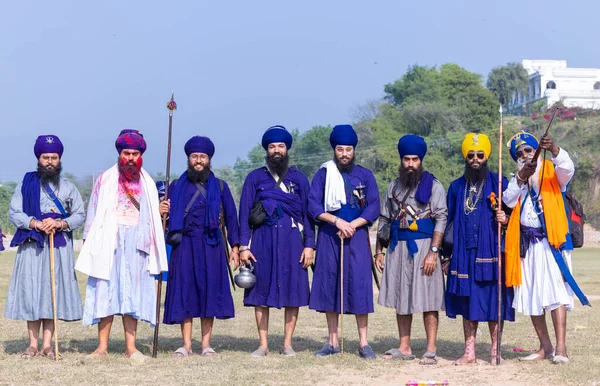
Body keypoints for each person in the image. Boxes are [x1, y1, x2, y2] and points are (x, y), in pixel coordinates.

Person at [76, 129, 168, 364]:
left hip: (138, 243)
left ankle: (131, 347)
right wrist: (88, 240)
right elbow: (93, 210)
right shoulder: (105, 179)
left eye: (134, 153)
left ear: (141, 156)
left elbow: (151, 217)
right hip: (110, 240)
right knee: (106, 291)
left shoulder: (147, 182)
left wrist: (159, 213)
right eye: (126, 153)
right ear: (119, 153)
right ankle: (102, 347)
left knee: (133, 294)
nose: (130, 158)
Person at [503, 130, 588, 364]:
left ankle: (561, 348)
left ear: (536, 152)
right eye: (519, 153)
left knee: (556, 295)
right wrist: (521, 177)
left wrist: (555, 150)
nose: (525, 155)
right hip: (527, 247)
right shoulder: (518, 178)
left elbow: (568, 168)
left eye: (528, 150)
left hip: (552, 244)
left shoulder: (553, 172)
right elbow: (508, 200)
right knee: (532, 295)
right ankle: (545, 347)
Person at [5, 135, 85, 360]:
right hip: (32, 245)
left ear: (59, 160)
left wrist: (60, 223)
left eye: (54, 157)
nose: (50, 161)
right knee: (32, 291)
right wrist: (35, 222)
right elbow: (14, 212)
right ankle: (32, 344)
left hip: (57, 246)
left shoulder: (69, 187)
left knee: (52, 292)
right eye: (45, 157)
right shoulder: (26, 184)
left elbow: (79, 214)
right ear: (38, 159)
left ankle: (48, 345)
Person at [159, 136, 240, 357]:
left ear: (209, 159)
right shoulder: (175, 186)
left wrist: (235, 247)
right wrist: (161, 211)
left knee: (209, 293)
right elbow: (162, 222)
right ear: (188, 158)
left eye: (202, 157)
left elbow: (232, 218)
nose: (198, 161)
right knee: (185, 292)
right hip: (183, 246)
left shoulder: (220, 186)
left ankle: (206, 345)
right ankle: (186, 345)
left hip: (211, 245)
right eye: (194, 156)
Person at [238, 125, 314, 357]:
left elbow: (309, 214)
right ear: (267, 150)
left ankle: (287, 344)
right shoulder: (255, 178)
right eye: (272, 147)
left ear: (287, 149)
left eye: (280, 146)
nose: (276, 150)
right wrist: (243, 246)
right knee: (260, 292)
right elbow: (243, 214)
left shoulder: (299, 179)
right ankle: (263, 344)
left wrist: (310, 244)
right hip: (262, 241)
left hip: (292, 242)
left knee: (292, 291)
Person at [308, 124, 380, 359]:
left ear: (354, 150)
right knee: (330, 284)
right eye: (340, 150)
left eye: (348, 149)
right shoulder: (323, 174)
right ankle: (332, 341)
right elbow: (313, 205)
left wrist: (353, 225)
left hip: (357, 237)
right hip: (330, 236)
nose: (345, 154)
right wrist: (337, 222)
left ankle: (364, 343)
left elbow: (374, 206)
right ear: (334, 150)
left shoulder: (365, 175)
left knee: (359, 285)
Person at [443, 133, 514, 365]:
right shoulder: (455, 187)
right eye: (471, 155)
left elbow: (516, 217)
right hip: (463, 254)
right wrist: (446, 255)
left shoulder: (500, 183)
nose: (475, 159)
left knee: (494, 302)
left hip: (492, 253)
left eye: (480, 155)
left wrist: (506, 219)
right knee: (467, 302)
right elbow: (449, 222)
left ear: (487, 156)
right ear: (466, 156)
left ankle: (495, 350)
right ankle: (470, 352)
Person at [375, 135, 447, 365]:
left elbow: (441, 218)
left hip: (426, 247)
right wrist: (379, 251)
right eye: (406, 159)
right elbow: (384, 219)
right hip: (398, 248)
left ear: (420, 160)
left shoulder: (433, 185)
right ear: (401, 160)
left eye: (415, 159)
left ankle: (431, 348)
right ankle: (404, 347)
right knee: (401, 296)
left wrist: (434, 252)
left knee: (429, 299)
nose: (410, 164)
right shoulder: (392, 187)